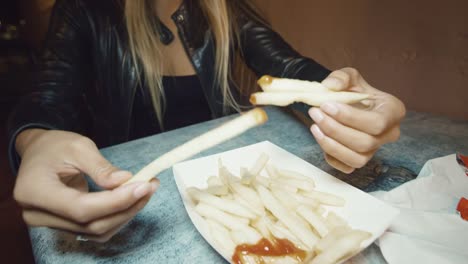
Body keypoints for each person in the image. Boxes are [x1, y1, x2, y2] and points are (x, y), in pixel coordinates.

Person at [7, 0, 405, 242]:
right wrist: (34, 141)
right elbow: (46, 97)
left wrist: (344, 98)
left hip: (222, 188)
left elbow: (289, 67)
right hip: (136, 203)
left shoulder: (223, 8)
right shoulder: (85, 10)